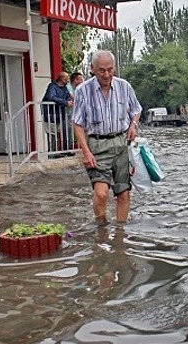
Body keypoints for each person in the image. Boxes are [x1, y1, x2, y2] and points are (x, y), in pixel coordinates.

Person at [72, 50, 142, 223]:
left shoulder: (124, 86)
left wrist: (133, 125)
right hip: (97, 145)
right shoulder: (83, 90)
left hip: (121, 143)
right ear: (93, 69)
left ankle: (120, 234)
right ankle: (101, 227)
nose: (106, 74)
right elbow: (77, 123)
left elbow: (136, 110)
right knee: (101, 193)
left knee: (123, 193)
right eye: (102, 70)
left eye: (110, 70)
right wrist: (86, 152)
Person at [42, 71, 73, 154]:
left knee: (61, 133)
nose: (68, 81)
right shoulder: (52, 86)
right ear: (62, 79)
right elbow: (50, 97)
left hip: (60, 115)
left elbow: (68, 97)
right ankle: (52, 153)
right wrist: (65, 103)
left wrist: (69, 101)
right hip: (50, 115)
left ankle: (63, 151)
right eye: (67, 79)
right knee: (52, 134)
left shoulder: (65, 88)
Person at [65, 71, 85, 149]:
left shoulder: (77, 89)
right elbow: (74, 97)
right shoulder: (68, 87)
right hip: (66, 114)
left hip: (72, 114)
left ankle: (73, 147)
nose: (82, 81)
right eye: (80, 79)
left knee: (73, 130)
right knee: (68, 131)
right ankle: (68, 148)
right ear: (75, 80)